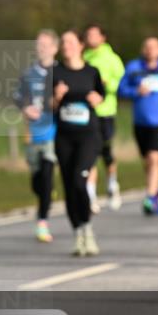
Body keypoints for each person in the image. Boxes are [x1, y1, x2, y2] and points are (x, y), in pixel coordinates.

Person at [53, 30, 105, 256]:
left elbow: (102, 96)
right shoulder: (55, 73)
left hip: (88, 136)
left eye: (71, 42)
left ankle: (88, 228)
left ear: (81, 46)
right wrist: (56, 97)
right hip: (64, 136)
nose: (67, 46)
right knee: (68, 186)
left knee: (79, 180)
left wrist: (98, 99)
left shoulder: (91, 72)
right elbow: (47, 107)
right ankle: (78, 233)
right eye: (63, 42)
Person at [119, 37, 158, 215]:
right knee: (148, 161)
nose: (150, 50)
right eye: (147, 47)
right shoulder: (133, 68)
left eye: (154, 47)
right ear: (142, 49)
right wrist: (135, 92)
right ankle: (157, 191)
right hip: (140, 122)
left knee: (155, 158)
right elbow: (121, 90)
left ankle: (150, 196)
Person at [14, 30, 59, 242]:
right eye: (38, 45)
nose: (41, 48)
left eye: (45, 45)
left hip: (55, 132)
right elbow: (18, 97)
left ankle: (42, 222)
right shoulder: (27, 74)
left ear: (55, 48)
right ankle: (46, 196)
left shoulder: (61, 72)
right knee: (37, 181)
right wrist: (25, 109)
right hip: (34, 133)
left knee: (48, 175)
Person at [82, 24, 125, 212]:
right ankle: (90, 196)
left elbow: (122, 84)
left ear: (102, 37)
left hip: (106, 111)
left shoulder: (112, 58)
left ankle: (112, 185)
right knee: (89, 154)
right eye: (88, 35)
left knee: (106, 152)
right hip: (87, 113)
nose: (90, 38)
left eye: (94, 35)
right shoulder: (83, 57)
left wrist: (108, 84)